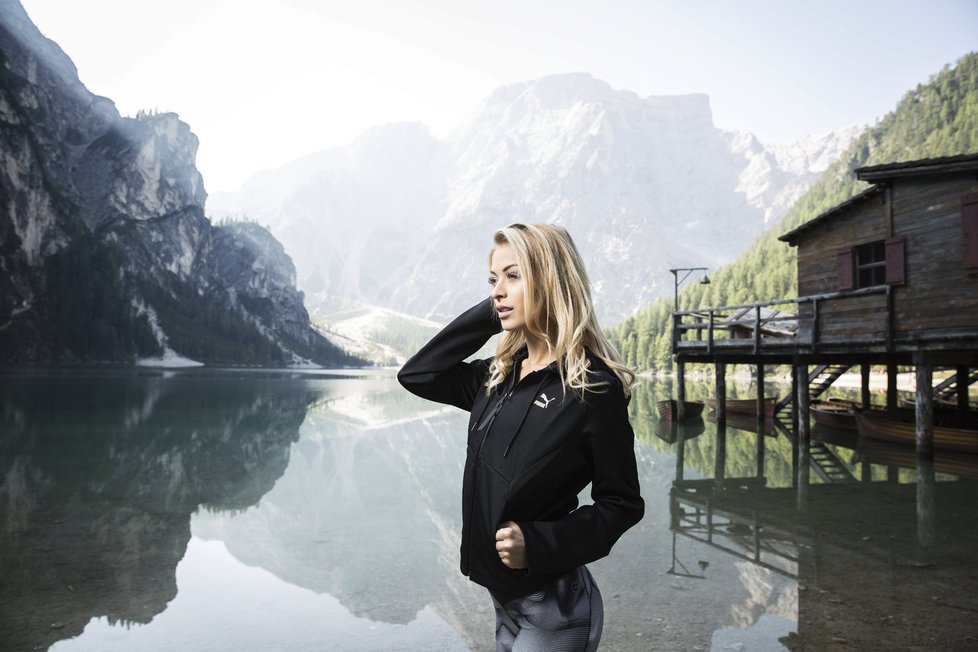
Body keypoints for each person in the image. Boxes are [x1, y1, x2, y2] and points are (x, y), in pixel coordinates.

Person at [397, 222, 644, 651]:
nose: (497, 290)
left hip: (555, 610)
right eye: (493, 280)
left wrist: (540, 543)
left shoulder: (592, 390)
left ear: (551, 280)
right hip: (504, 601)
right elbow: (417, 374)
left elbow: (622, 504)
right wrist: (494, 314)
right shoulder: (495, 378)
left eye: (514, 276)